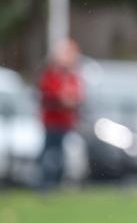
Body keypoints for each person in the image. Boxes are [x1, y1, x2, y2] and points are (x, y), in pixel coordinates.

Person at [38, 38, 84, 190]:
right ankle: (46, 184)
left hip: (66, 123)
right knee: (50, 155)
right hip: (52, 123)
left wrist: (69, 100)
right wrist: (63, 99)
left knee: (64, 156)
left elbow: (77, 97)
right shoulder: (51, 75)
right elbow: (50, 95)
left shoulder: (72, 77)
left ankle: (59, 184)